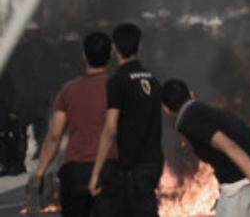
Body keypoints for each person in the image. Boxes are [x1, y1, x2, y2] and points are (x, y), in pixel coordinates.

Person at [31, 32, 119, 216]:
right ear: (110, 55)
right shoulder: (118, 87)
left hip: (75, 172)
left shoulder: (68, 90)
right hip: (109, 169)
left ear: (84, 55)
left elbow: (54, 136)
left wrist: (40, 173)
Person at [160, 79, 250, 216]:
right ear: (191, 94)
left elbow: (231, 148)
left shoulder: (191, 121)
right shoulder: (198, 112)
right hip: (239, 184)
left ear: (166, 109)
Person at [89, 24, 164, 216]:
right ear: (139, 47)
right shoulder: (153, 80)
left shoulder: (117, 81)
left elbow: (111, 129)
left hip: (133, 167)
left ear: (114, 49)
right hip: (154, 163)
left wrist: (96, 171)